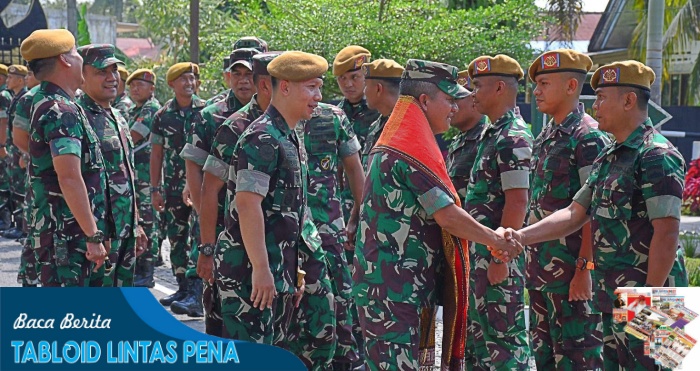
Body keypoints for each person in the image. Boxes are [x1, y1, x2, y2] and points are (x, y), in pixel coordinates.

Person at [500, 60, 689, 371]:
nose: (595, 104)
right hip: (612, 296)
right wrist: (521, 236)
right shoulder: (610, 156)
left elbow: (667, 233)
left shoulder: (657, 155)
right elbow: (575, 213)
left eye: (602, 97)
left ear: (629, 100)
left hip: (655, 299)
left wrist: (648, 302)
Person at [354, 59, 521, 370]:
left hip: (416, 291)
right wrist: (495, 240)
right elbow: (448, 216)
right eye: (449, 99)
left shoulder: (410, 143)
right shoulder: (406, 149)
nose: (455, 108)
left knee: (429, 366)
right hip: (396, 296)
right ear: (424, 100)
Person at [214, 50, 326, 345]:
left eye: (320, 87)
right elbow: (248, 205)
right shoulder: (262, 137)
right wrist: (263, 270)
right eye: (311, 87)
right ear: (285, 87)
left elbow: (291, 213)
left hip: (277, 271)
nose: (318, 96)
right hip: (249, 274)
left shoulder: (288, 135)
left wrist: (292, 272)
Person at [525, 49, 610, 370]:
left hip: (571, 277)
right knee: (545, 358)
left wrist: (584, 270)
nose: (536, 91)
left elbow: (590, 210)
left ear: (572, 86)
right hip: (542, 273)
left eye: (545, 83)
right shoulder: (547, 135)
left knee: (579, 359)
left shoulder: (588, 137)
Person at [20, 28, 108, 286]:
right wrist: (92, 235)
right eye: (74, 51)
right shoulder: (60, 110)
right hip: (66, 235)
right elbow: (69, 176)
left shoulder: (51, 102)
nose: (80, 56)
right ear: (65, 60)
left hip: (62, 232)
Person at [178, 47, 259, 327]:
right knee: (219, 300)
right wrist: (205, 220)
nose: (243, 80)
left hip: (260, 221)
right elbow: (194, 165)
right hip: (222, 220)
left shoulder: (273, 113)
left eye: (249, 74)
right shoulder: (212, 115)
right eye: (237, 74)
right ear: (228, 77)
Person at [463, 54, 532, 370]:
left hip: (497, 261)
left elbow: (517, 202)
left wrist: (499, 259)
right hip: (483, 257)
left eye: (478, 86)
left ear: (500, 87)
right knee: (483, 346)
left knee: (504, 349)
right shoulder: (494, 133)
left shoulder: (513, 136)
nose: (472, 92)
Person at [294, 99, 364, 369]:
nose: (314, 92)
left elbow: (355, 170)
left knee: (341, 292)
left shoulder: (333, 117)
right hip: (292, 228)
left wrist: (360, 217)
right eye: (308, 85)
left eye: (317, 85)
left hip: (328, 224)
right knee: (301, 295)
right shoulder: (275, 118)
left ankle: (345, 357)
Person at [76, 44, 146, 287]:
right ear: (81, 75)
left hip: (123, 230)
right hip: (97, 234)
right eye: (101, 72)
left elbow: (126, 175)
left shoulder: (118, 116)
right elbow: (72, 180)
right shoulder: (77, 117)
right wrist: (92, 234)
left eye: (114, 70)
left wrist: (136, 224)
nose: (111, 78)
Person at [332, 45, 381, 366]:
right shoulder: (330, 113)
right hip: (337, 213)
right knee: (344, 284)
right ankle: (349, 350)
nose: (348, 84)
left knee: (371, 282)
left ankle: (368, 348)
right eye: (341, 79)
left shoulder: (381, 111)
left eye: (354, 76)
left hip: (376, 212)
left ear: (367, 75)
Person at [150, 62, 206, 304]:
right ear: (172, 84)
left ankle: (196, 290)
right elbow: (156, 154)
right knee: (176, 238)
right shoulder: (162, 116)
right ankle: (182, 286)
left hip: (200, 187)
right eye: (183, 79)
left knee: (199, 235)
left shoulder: (206, 111)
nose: (189, 83)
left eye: (192, 78)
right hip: (173, 188)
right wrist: (155, 189)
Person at [126, 68, 162, 288]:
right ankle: (139, 269)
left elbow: (132, 137)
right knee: (137, 221)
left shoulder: (151, 109)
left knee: (147, 222)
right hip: (135, 176)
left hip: (147, 177)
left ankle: (147, 272)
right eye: (132, 85)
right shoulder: (135, 109)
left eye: (140, 85)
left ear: (152, 88)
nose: (135, 89)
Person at [446, 73, 487, 202]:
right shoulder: (459, 140)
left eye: (456, 99)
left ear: (474, 99)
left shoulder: (486, 138)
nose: (451, 107)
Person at [1, 65, 29, 240]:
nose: (8, 80)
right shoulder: (16, 98)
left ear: (20, 80)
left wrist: (22, 153)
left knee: (19, 188)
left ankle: (21, 226)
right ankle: (18, 224)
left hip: (18, 150)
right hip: (14, 148)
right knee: (14, 185)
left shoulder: (22, 99)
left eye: (11, 78)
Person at [360, 58, 403, 172]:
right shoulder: (376, 126)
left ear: (378, 89)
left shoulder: (406, 125)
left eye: (366, 85)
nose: (364, 91)